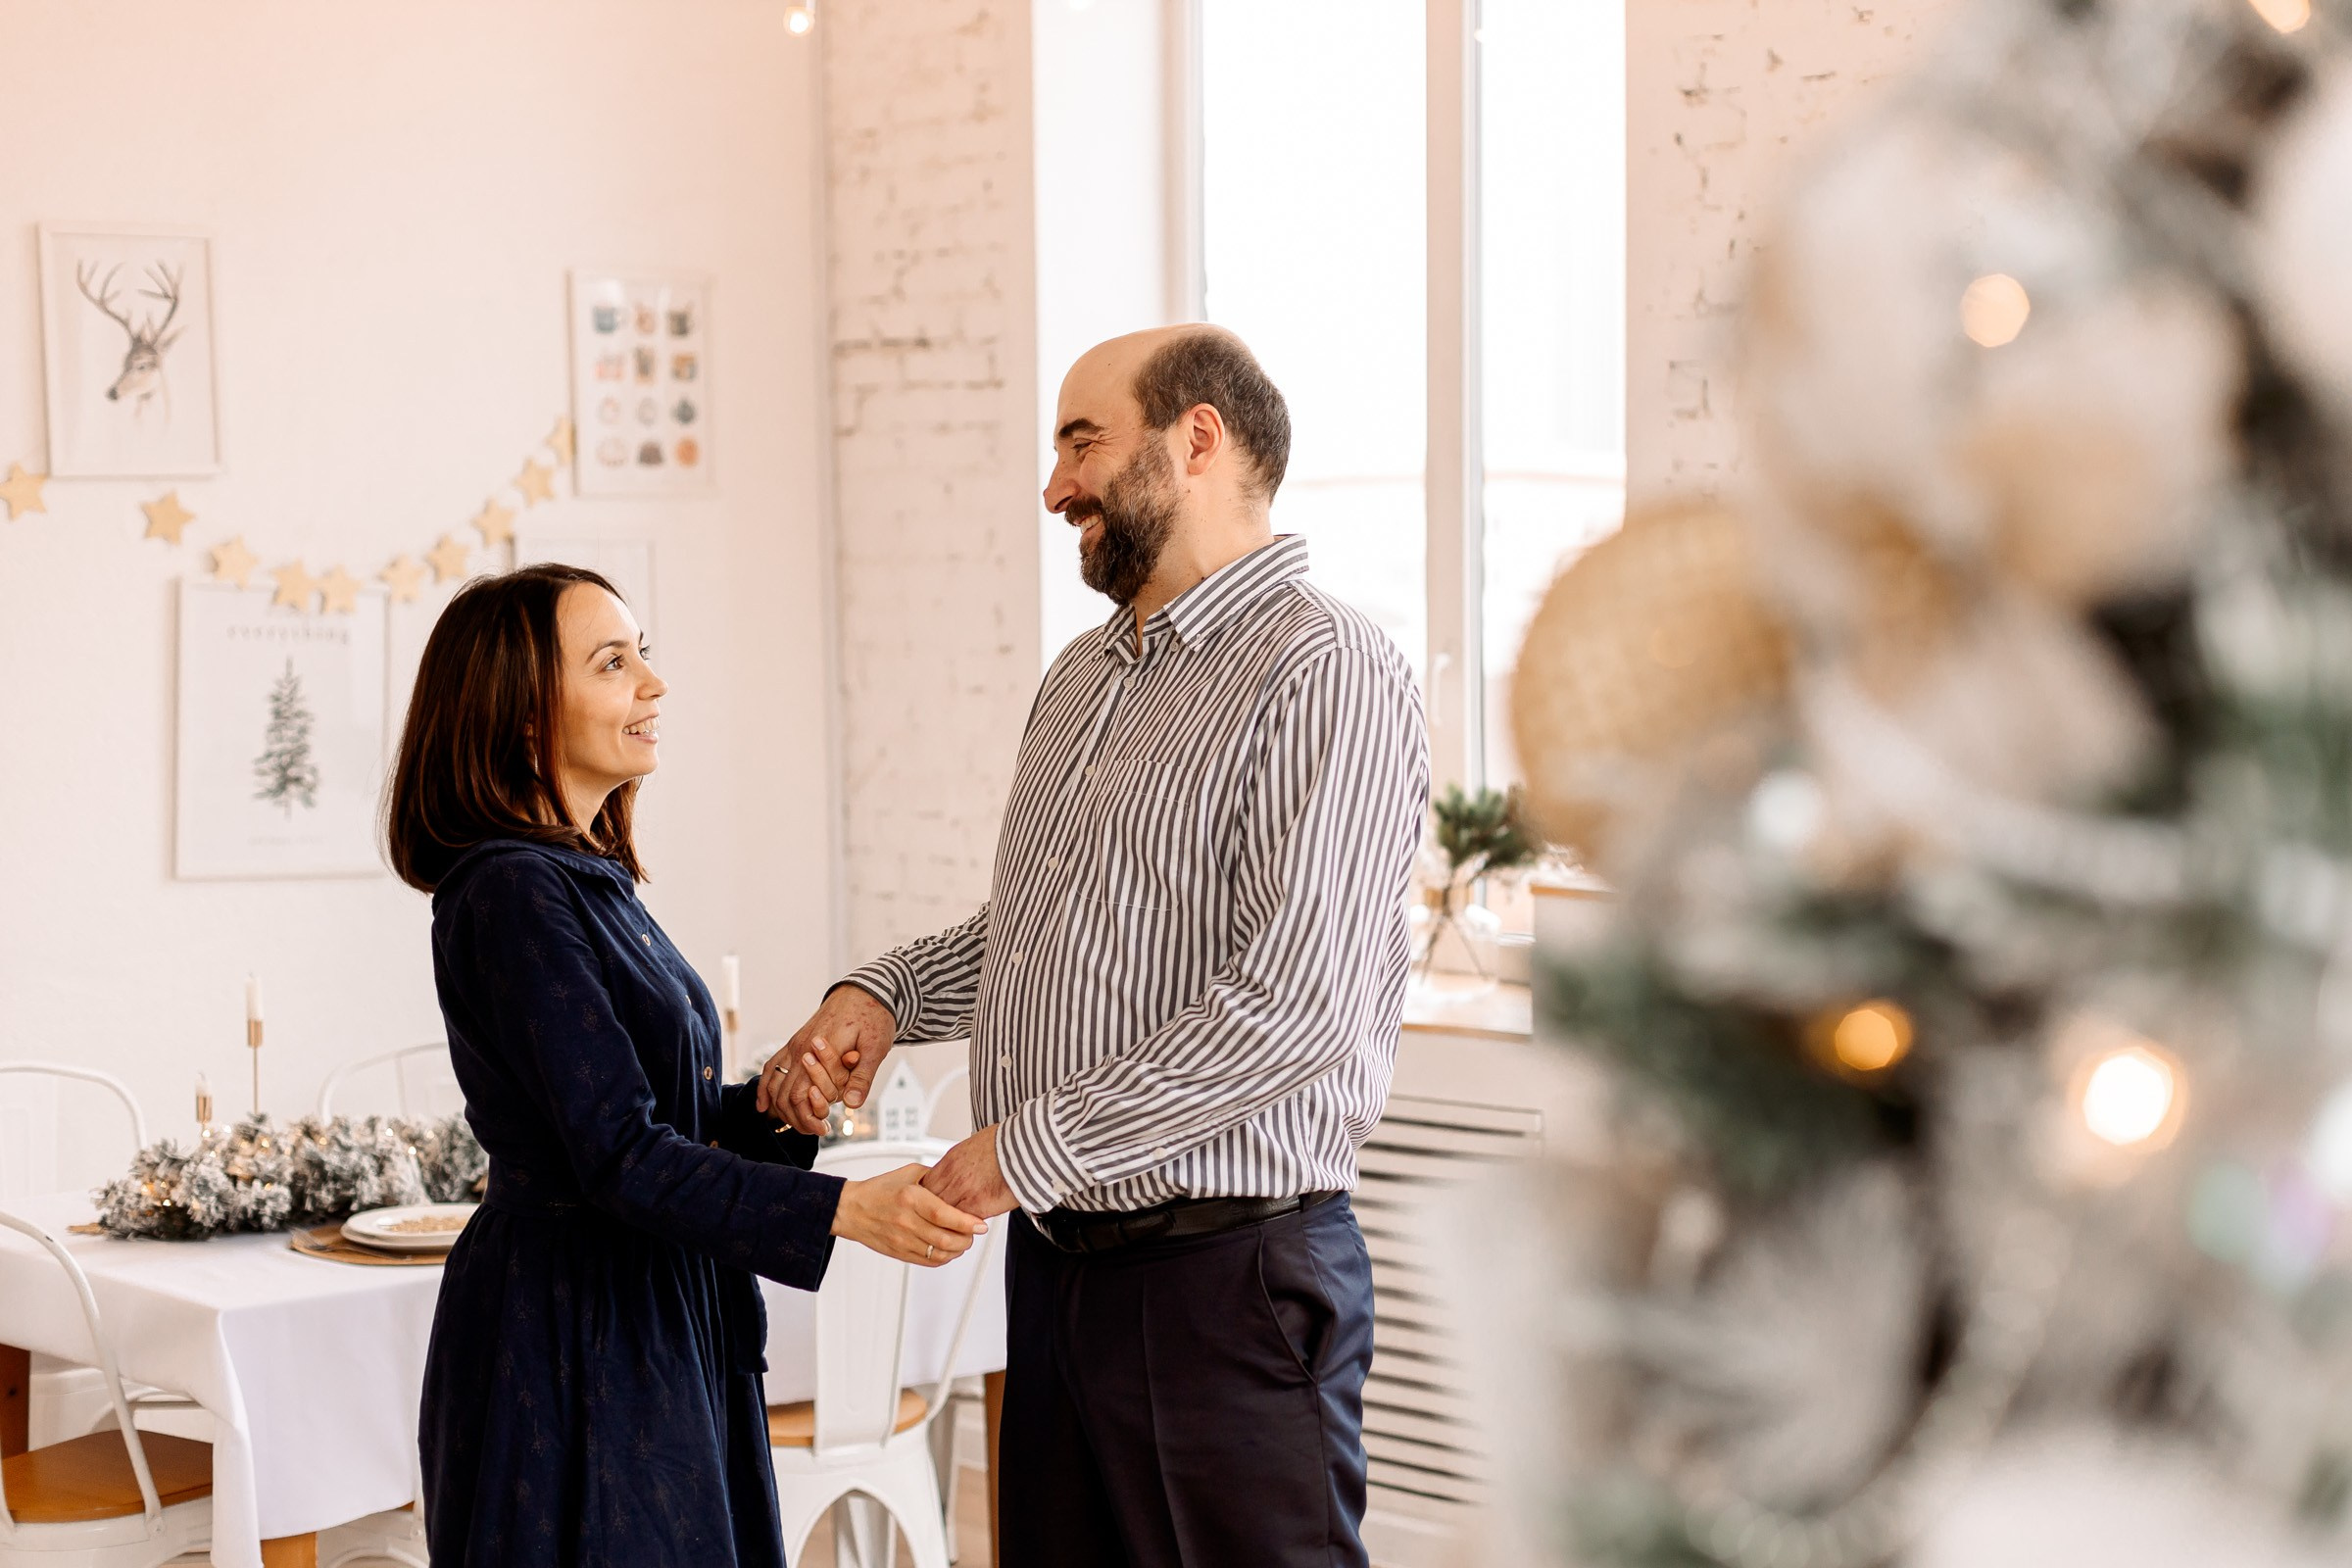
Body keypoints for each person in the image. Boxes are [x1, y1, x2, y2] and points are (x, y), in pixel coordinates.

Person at [763, 326, 1431, 1567]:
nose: (1057, 485)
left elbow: (1295, 1006)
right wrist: (884, 993)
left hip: (1226, 1284)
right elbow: (1035, 931)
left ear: (1196, 441)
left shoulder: (1326, 670)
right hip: (1060, 1273)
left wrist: (1019, 1152)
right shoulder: (1080, 675)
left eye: (1083, 441)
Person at [385, 564, 988, 1568]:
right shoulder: (511, 893)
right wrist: (841, 1208)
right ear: (525, 717)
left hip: (647, 1306)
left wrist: (768, 1109)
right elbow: (617, 1154)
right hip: (571, 1331)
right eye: (613, 663)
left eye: (643, 655)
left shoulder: (584, 880)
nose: (653, 686)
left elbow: (644, 1113)